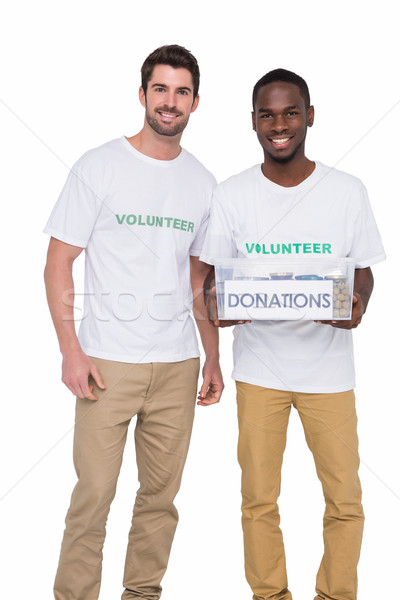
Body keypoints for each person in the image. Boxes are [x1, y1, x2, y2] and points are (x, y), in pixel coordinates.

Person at [44, 44, 223, 600]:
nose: (170, 102)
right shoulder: (98, 166)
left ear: (196, 102)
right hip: (106, 362)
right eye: (161, 89)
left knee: (160, 498)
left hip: (176, 365)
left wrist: (213, 356)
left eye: (182, 91)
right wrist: (71, 349)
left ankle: (142, 594)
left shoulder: (202, 181)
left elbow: (198, 282)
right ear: (142, 94)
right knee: (94, 494)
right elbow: (57, 264)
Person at [200, 68, 385, 600]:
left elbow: (364, 272)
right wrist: (221, 308)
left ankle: (335, 595)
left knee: (345, 499)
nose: (279, 124)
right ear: (253, 122)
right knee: (258, 499)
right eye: (268, 114)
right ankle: (270, 595)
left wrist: (357, 307)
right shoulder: (233, 194)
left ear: (309, 117)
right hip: (260, 372)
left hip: (330, 374)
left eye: (290, 112)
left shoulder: (347, 191)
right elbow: (214, 280)